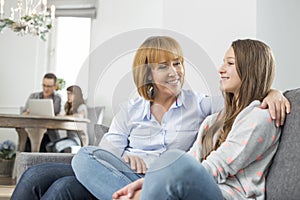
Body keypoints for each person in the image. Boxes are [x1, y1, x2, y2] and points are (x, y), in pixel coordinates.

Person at [11, 36, 289, 200]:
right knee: (54, 167)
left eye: (177, 63)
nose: (175, 72)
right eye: (163, 66)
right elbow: (105, 152)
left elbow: (249, 97)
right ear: (148, 75)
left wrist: (273, 92)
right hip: (127, 173)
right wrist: (125, 160)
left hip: (167, 180)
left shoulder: (201, 106)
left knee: (64, 186)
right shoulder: (133, 109)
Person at [112, 39, 283, 200]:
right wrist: (149, 182)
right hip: (191, 185)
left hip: (227, 195)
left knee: (170, 160)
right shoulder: (213, 120)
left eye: (229, 63)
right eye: (224, 62)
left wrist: (272, 93)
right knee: (86, 156)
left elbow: (218, 166)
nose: (221, 69)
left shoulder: (262, 116)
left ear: (251, 69)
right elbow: (192, 159)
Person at [21, 72, 62, 152]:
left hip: (49, 134)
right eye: (44, 85)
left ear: (54, 87)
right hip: (32, 132)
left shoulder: (57, 98)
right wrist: (27, 112)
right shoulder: (33, 96)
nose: (46, 89)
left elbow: (55, 111)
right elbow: (23, 113)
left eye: (49, 86)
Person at [46, 85, 88, 153]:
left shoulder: (82, 107)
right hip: (70, 138)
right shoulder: (69, 108)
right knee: (49, 146)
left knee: (57, 146)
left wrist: (64, 117)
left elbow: (79, 116)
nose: (68, 96)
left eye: (70, 94)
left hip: (77, 140)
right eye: (67, 94)